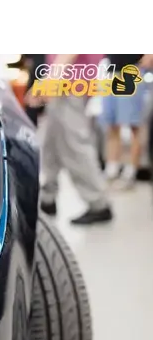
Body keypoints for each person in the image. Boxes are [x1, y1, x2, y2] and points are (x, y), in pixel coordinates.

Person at [26, 49, 113, 225]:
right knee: (50, 143)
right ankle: (47, 198)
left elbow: (69, 50)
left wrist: (47, 82)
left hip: (70, 86)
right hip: (63, 85)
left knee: (75, 146)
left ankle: (98, 204)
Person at [101, 48, 153, 188]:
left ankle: (130, 172)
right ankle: (111, 169)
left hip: (132, 69)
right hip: (111, 70)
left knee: (134, 125)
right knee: (111, 124)